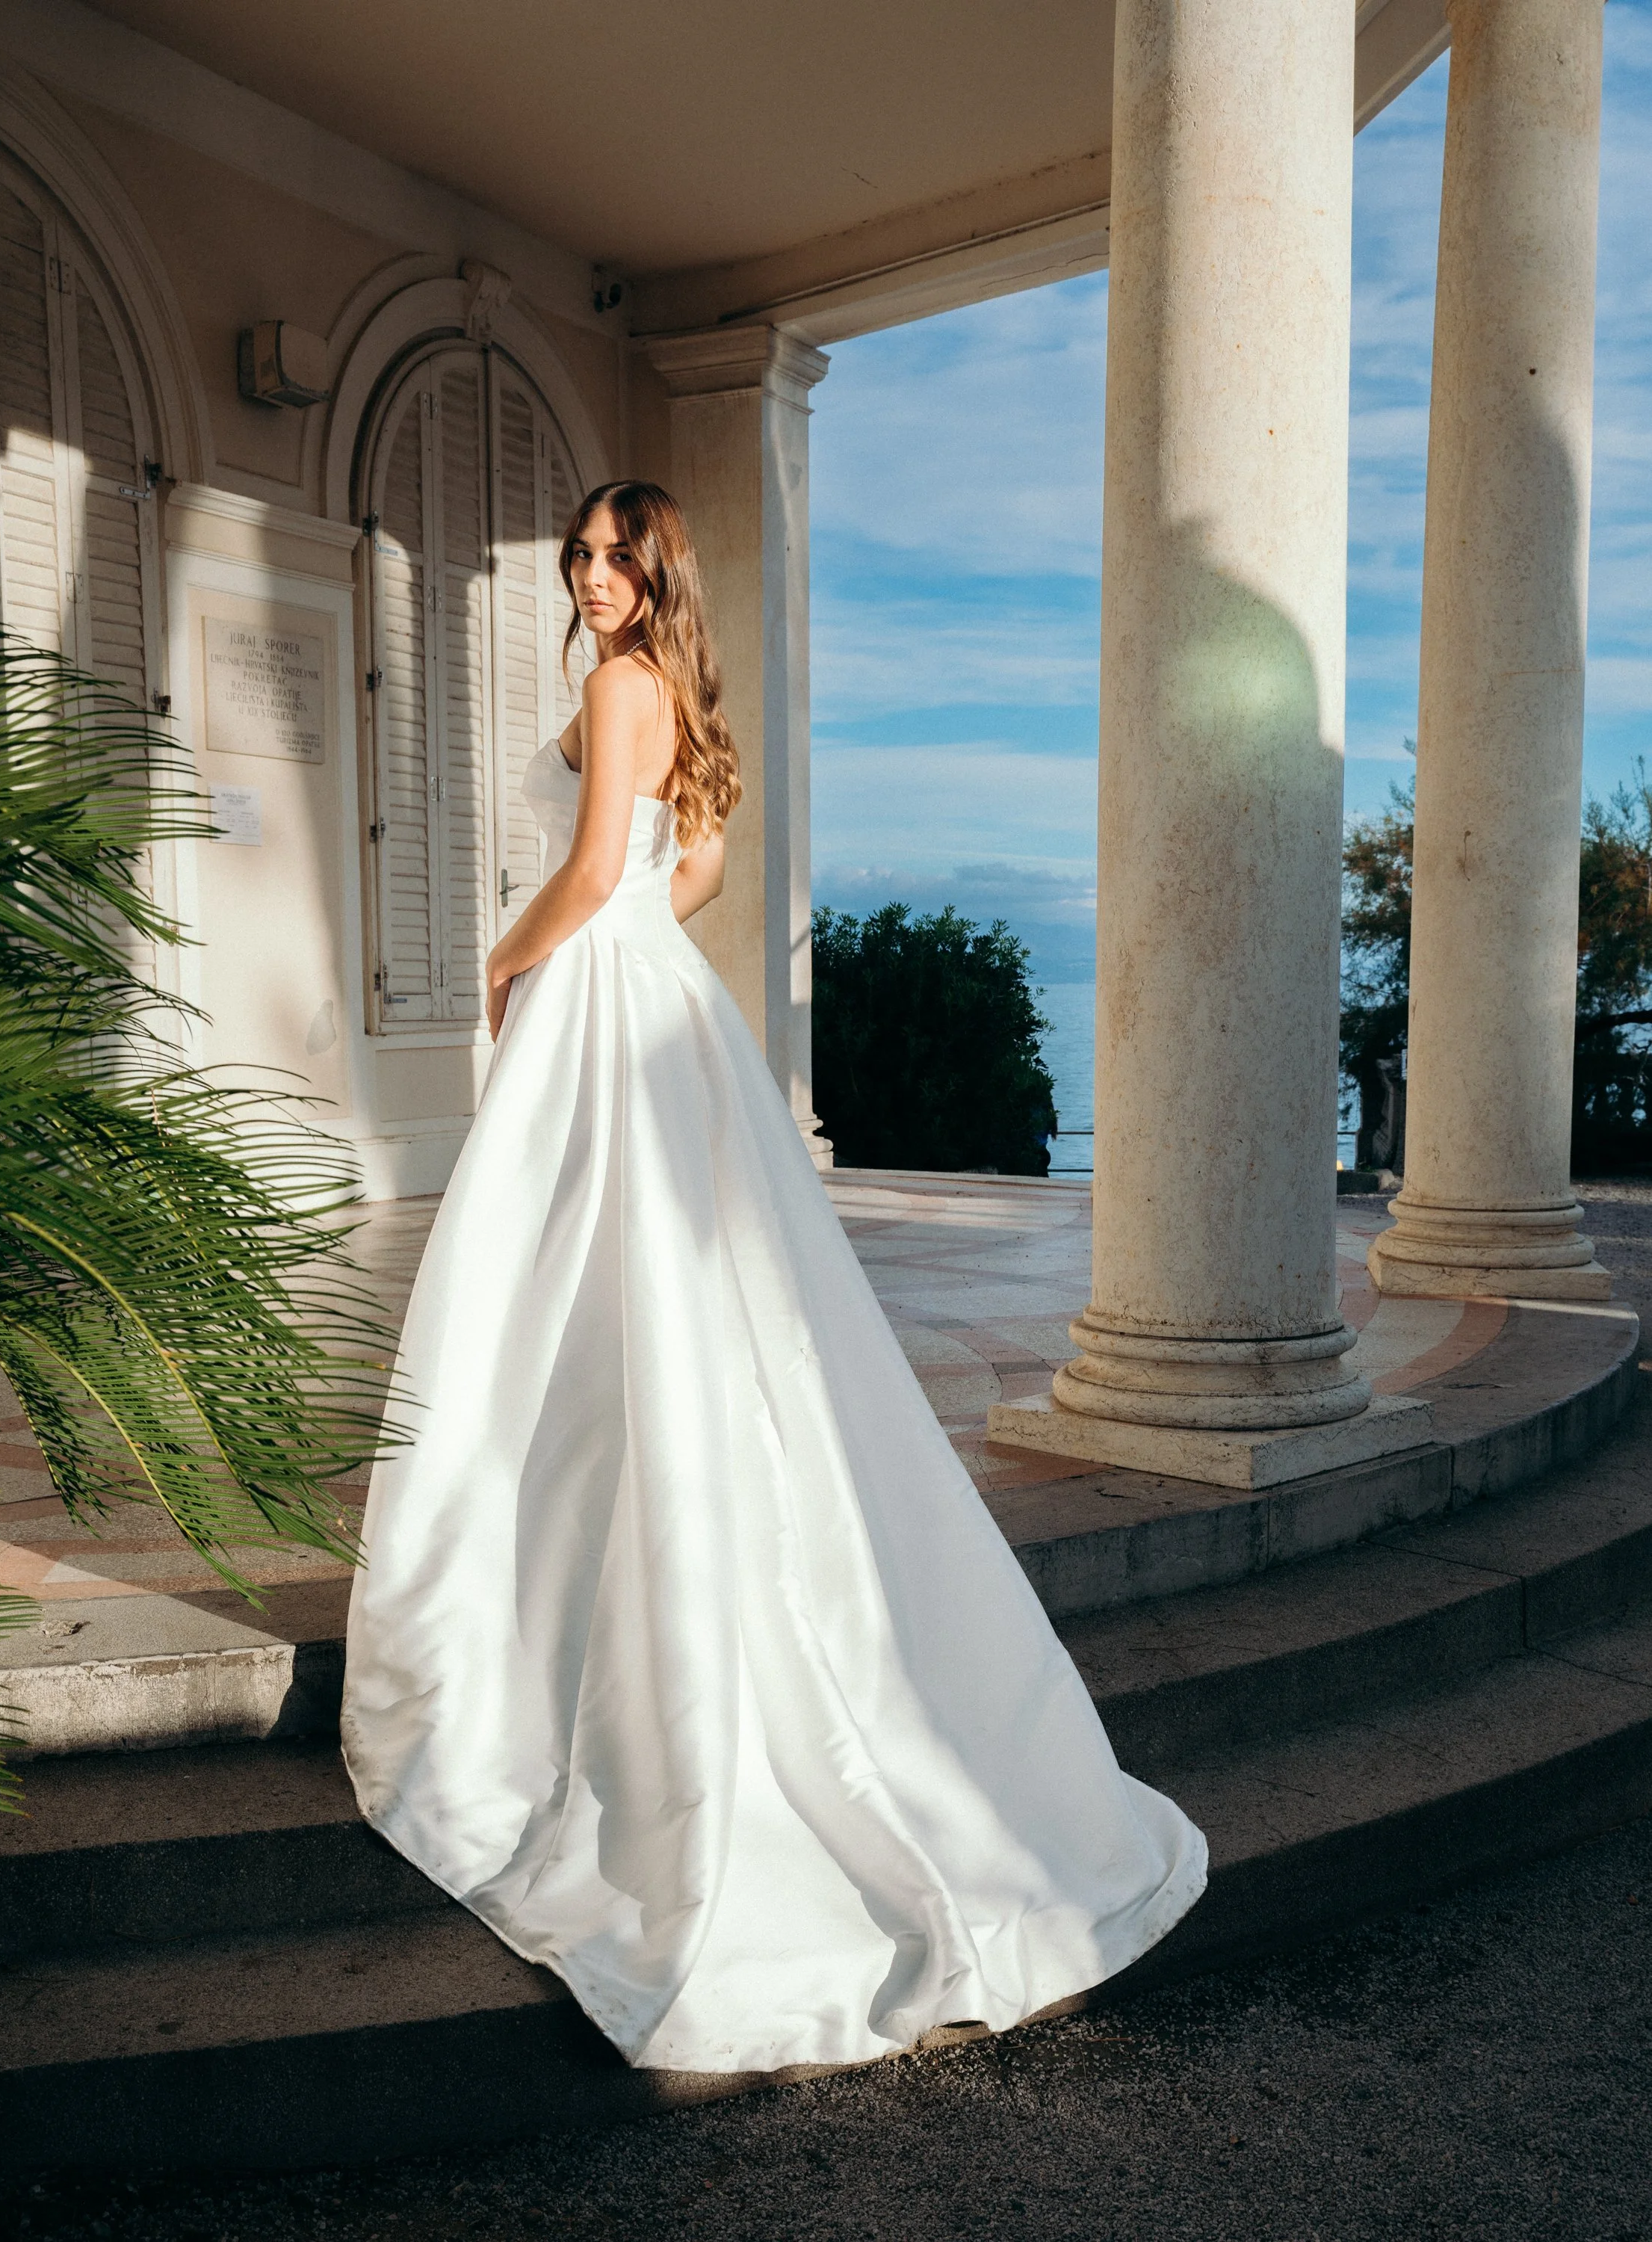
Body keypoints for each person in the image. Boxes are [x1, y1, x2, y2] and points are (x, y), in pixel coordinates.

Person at [341, 481, 1206, 2076]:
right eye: (580, 558)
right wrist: (624, 949)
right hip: (666, 1010)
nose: (591, 578)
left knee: (575, 1297)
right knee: (679, 1305)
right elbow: (701, 870)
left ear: (656, 569)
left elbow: (604, 866)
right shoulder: (680, 694)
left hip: (607, 1006)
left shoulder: (614, 688)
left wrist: (514, 960)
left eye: (616, 556)